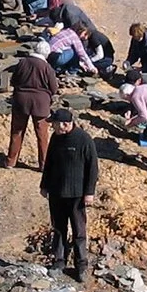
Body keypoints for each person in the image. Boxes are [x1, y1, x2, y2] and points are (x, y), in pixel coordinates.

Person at [40, 107, 98, 280]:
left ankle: (81, 265)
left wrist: (89, 192)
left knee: (79, 230)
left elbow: (93, 168)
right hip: (57, 191)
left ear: (66, 124)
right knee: (58, 228)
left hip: (77, 194)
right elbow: (48, 162)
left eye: (56, 125)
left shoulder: (83, 139)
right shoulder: (55, 138)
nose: (53, 128)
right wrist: (44, 185)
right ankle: (59, 261)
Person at [6, 43, 60, 169]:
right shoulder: (47, 67)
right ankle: (44, 165)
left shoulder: (22, 62)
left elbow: (13, 81)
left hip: (21, 101)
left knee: (17, 132)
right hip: (41, 104)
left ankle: (10, 161)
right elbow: (54, 88)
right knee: (42, 135)